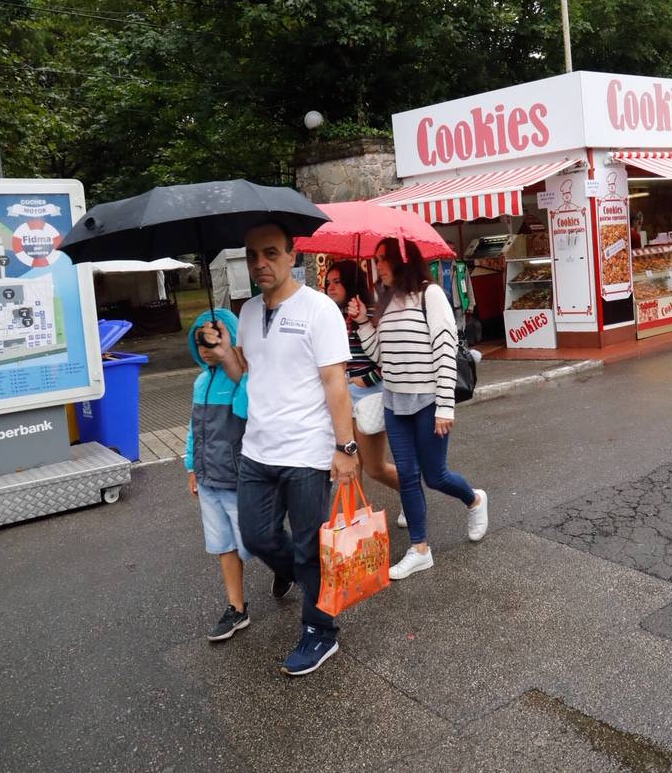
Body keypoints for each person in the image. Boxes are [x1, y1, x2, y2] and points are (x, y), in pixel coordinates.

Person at [201, 221, 357, 677]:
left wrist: (345, 448)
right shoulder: (247, 312)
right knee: (256, 536)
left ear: (293, 256)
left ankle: (321, 630)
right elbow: (247, 374)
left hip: (307, 452)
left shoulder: (319, 310)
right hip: (258, 450)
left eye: (270, 254)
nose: (260, 264)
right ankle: (305, 579)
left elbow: (335, 382)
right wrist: (225, 350)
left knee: (310, 546)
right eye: (252, 256)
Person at [349, 239, 488, 581]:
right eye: (375, 259)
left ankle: (474, 500)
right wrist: (364, 323)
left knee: (434, 475)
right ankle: (420, 549)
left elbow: (444, 352)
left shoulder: (431, 295)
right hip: (395, 403)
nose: (377, 265)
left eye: (383, 259)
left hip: (427, 402)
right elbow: (381, 356)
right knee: (408, 477)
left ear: (402, 260)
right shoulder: (385, 302)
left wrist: (445, 406)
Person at [183, 308, 251, 642]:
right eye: (201, 343)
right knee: (224, 545)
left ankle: (286, 570)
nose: (207, 350)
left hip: (237, 477)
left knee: (252, 541)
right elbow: (194, 428)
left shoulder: (244, 378)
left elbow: (248, 409)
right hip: (209, 478)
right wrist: (192, 466)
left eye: (214, 340)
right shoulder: (200, 382)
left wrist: (235, 367)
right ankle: (237, 608)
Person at [323, 261, 406, 527]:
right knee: (350, 466)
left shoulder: (371, 313)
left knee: (374, 467)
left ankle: (411, 495)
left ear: (351, 282)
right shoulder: (329, 316)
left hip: (368, 395)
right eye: (328, 283)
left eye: (337, 281)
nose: (331, 287)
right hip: (342, 398)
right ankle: (351, 524)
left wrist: (366, 378)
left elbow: (390, 359)